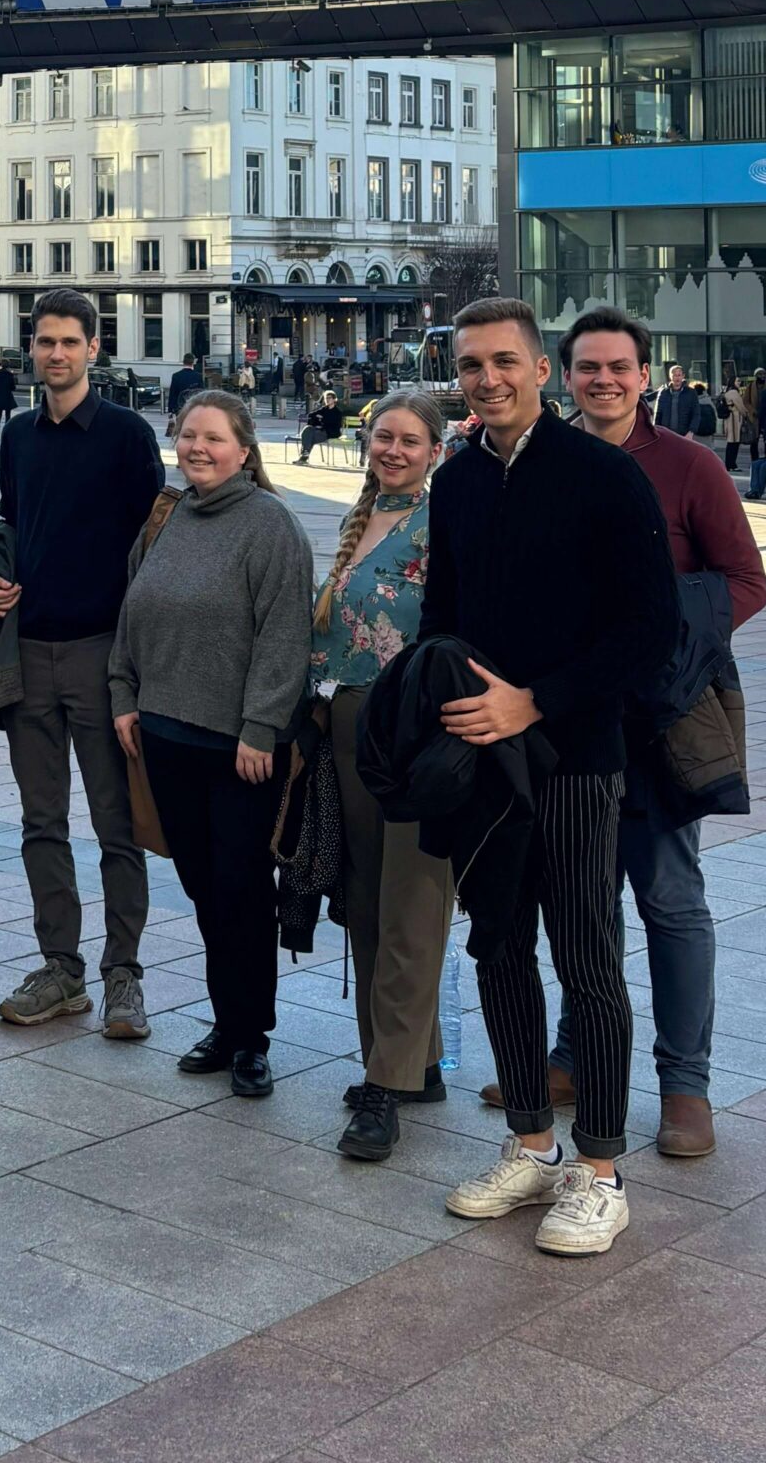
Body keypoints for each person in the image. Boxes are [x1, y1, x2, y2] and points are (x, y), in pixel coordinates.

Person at [423, 298, 679, 1259]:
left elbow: (649, 633)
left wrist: (536, 701)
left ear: (542, 371)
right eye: (470, 365)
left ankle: (601, 1169)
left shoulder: (605, 477)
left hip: (574, 758)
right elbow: (442, 621)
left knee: (585, 957)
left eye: (503, 362)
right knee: (496, 951)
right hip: (483, 761)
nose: (486, 379)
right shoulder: (456, 484)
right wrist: (441, 713)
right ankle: (531, 1141)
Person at [526, 306, 766, 1160]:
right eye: (588, 367)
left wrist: (668, 650)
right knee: (580, 899)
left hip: (660, 718)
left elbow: (744, 580)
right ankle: (570, 1059)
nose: (604, 381)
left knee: (668, 898)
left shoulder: (689, 466)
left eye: (618, 367)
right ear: (564, 374)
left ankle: (684, 1086)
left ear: (643, 373)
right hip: (566, 720)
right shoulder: (543, 461)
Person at [110, 390, 311, 1099]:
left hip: (237, 749)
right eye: (188, 435)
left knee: (241, 889)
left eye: (213, 439)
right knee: (201, 887)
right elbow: (131, 613)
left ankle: (251, 1035)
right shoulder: (168, 517)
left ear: (244, 451)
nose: (198, 448)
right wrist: (123, 695)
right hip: (164, 736)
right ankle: (226, 1022)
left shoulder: (269, 526)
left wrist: (261, 726)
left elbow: (285, 635)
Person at [0, 287, 165, 1040]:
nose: (54, 353)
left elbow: (153, 547)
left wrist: (136, 667)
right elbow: (11, 522)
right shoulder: (20, 435)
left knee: (116, 823)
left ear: (95, 348)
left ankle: (123, 974)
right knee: (41, 821)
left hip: (100, 655)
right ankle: (61, 967)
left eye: (68, 342)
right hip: (28, 651)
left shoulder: (126, 435)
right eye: (43, 341)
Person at [313, 393, 455, 1163]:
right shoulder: (358, 518)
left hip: (412, 726)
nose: (393, 450)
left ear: (435, 449)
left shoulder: (444, 524)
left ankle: (386, 1081)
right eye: (382, 438)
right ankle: (409, 1058)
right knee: (365, 898)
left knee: (413, 902)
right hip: (346, 723)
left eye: (409, 440)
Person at [297, 388, 345, 466]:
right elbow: (311, 415)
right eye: (326, 398)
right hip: (320, 430)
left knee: (310, 437)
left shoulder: (337, 412)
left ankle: (304, 456)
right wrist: (319, 419)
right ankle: (305, 455)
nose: (327, 400)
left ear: (334, 399)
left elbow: (335, 425)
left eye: (329, 398)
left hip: (330, 432)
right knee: (308, 429)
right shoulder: (324, 409)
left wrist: (321, 419)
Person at [718, 374, 752, 474]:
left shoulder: (727, 392)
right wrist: (746, 414)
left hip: (730, 419)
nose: (739, 383)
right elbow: (741, 407)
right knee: (734, 443)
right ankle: (731, 464)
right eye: (737, 381)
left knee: (731, 443)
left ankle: (730, 464)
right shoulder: (734, 392)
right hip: (734, 420)